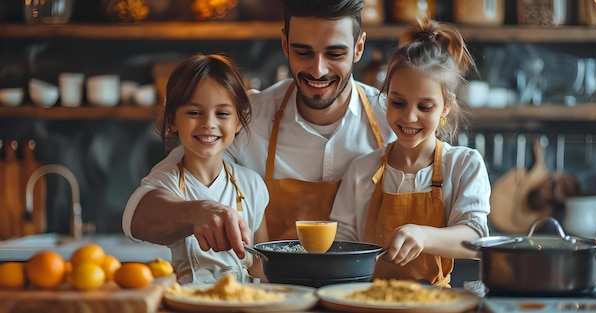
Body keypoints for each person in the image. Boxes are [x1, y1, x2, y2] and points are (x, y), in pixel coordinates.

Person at [122, 0, 395, 262]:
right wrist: (197, 211)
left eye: (335, 53)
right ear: (285, 45)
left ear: (359, 48)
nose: (318, 69)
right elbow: (139, 215)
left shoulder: (396, 122)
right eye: (303, 52)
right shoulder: (249, 118)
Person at [329, 17, 491, 287]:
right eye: (398, 102)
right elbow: (341, 243)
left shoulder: (463, 164)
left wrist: (424, 237)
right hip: (369, 299)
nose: (409, 117)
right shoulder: (362, 169)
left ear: (446, 107)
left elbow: (475, 241)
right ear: (386, 96)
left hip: (434, 303)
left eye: (425, 107)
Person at [131, 53, 268, 284]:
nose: (208, 123)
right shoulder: (164, 183)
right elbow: (137, 220)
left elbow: (260, 266)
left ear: (237, 121)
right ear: (173, 119)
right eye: (194, 113)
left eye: (222, 113)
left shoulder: (252, 185)